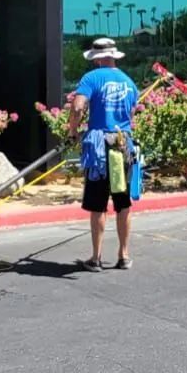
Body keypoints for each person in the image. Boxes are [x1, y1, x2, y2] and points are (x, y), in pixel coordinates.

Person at [68, 37, 140, 271]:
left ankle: (96, 258)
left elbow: (77, 106)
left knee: (98, 204)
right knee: (122, 201)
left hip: (99, 149)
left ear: (97, 58)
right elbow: (131, 113)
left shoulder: (92, 78)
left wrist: (73, 131)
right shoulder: (128, 81)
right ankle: (124, 255)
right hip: (122, 145)